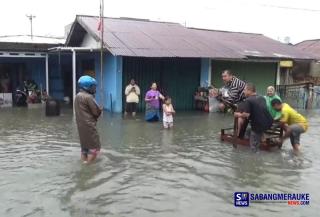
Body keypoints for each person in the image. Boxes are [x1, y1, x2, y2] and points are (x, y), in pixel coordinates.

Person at [234, 83, 273, 152]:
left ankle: (255, 160)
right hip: (268, 122)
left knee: (253, 147)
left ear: (250, 90)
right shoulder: (262, 97)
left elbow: (246, 115)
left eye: (245, 90)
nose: (244, 92)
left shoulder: (248, 100)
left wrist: (238, 114)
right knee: (250, 130)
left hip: (258, 125)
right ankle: (260, 138)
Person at [74, 75, 103, 164]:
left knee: (84, 148)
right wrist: (101, 108)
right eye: (93, 86)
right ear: (87, 86)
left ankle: (84, 162)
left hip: (81, 126)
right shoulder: (89, 97)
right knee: (94, 148)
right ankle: (88, 167)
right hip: (89, 126)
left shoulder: (77, 96)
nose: (94, 89)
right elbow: (96, 113)